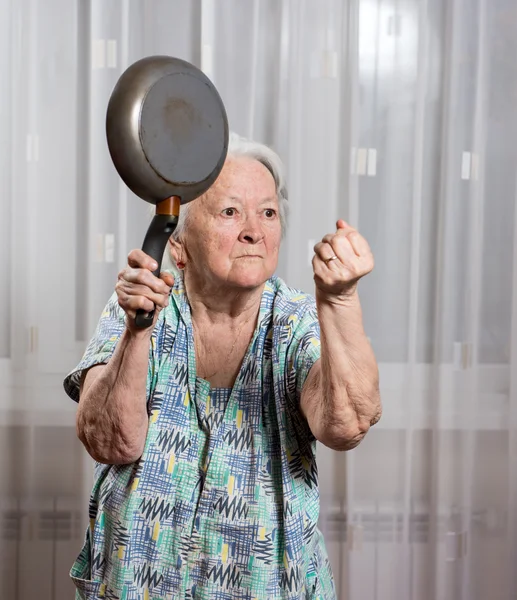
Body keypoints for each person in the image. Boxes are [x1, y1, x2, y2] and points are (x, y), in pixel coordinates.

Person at [64, 133, 381, 600]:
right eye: (230, 212)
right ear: (179, 246)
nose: (254, 230)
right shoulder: (138, 308)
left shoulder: (295, 322)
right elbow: (109, 441)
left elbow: (345, 425)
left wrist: (339, 301)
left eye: (267, 212)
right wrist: (136, 332)